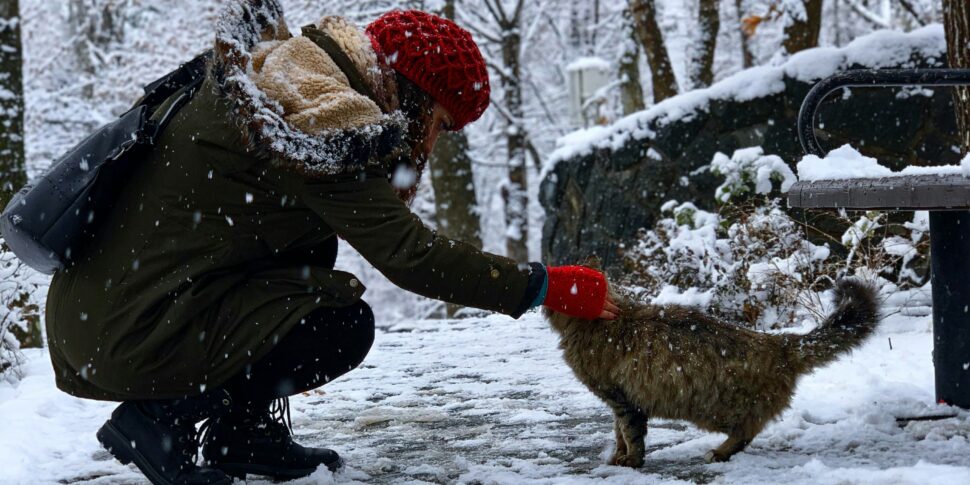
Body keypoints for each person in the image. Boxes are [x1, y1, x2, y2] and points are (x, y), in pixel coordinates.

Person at [44, 1, 619, 484]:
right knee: (338, 325)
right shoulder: (319, 118)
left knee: (311, 258)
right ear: (416, 98)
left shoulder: (287, 76)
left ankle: (241, 436)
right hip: (131, 328)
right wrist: (543, 285)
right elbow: (411, 256)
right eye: (441, 124)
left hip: (108, 314)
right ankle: (159, 422)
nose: (431, 145)